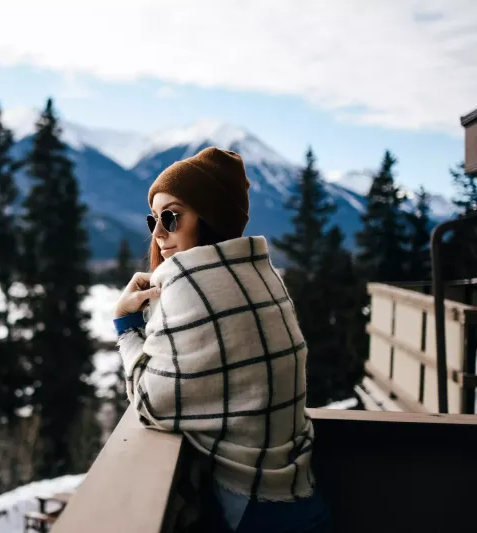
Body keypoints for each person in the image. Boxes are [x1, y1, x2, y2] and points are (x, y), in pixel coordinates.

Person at [113, 147, 331, 533]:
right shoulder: (263, 275)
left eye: (171, 217)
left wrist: (126, 324)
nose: (158, 233)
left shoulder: (191, 287)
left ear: (209, 216)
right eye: (153, 219)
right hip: (304, 492)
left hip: (252, 510)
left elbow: (148, 402)